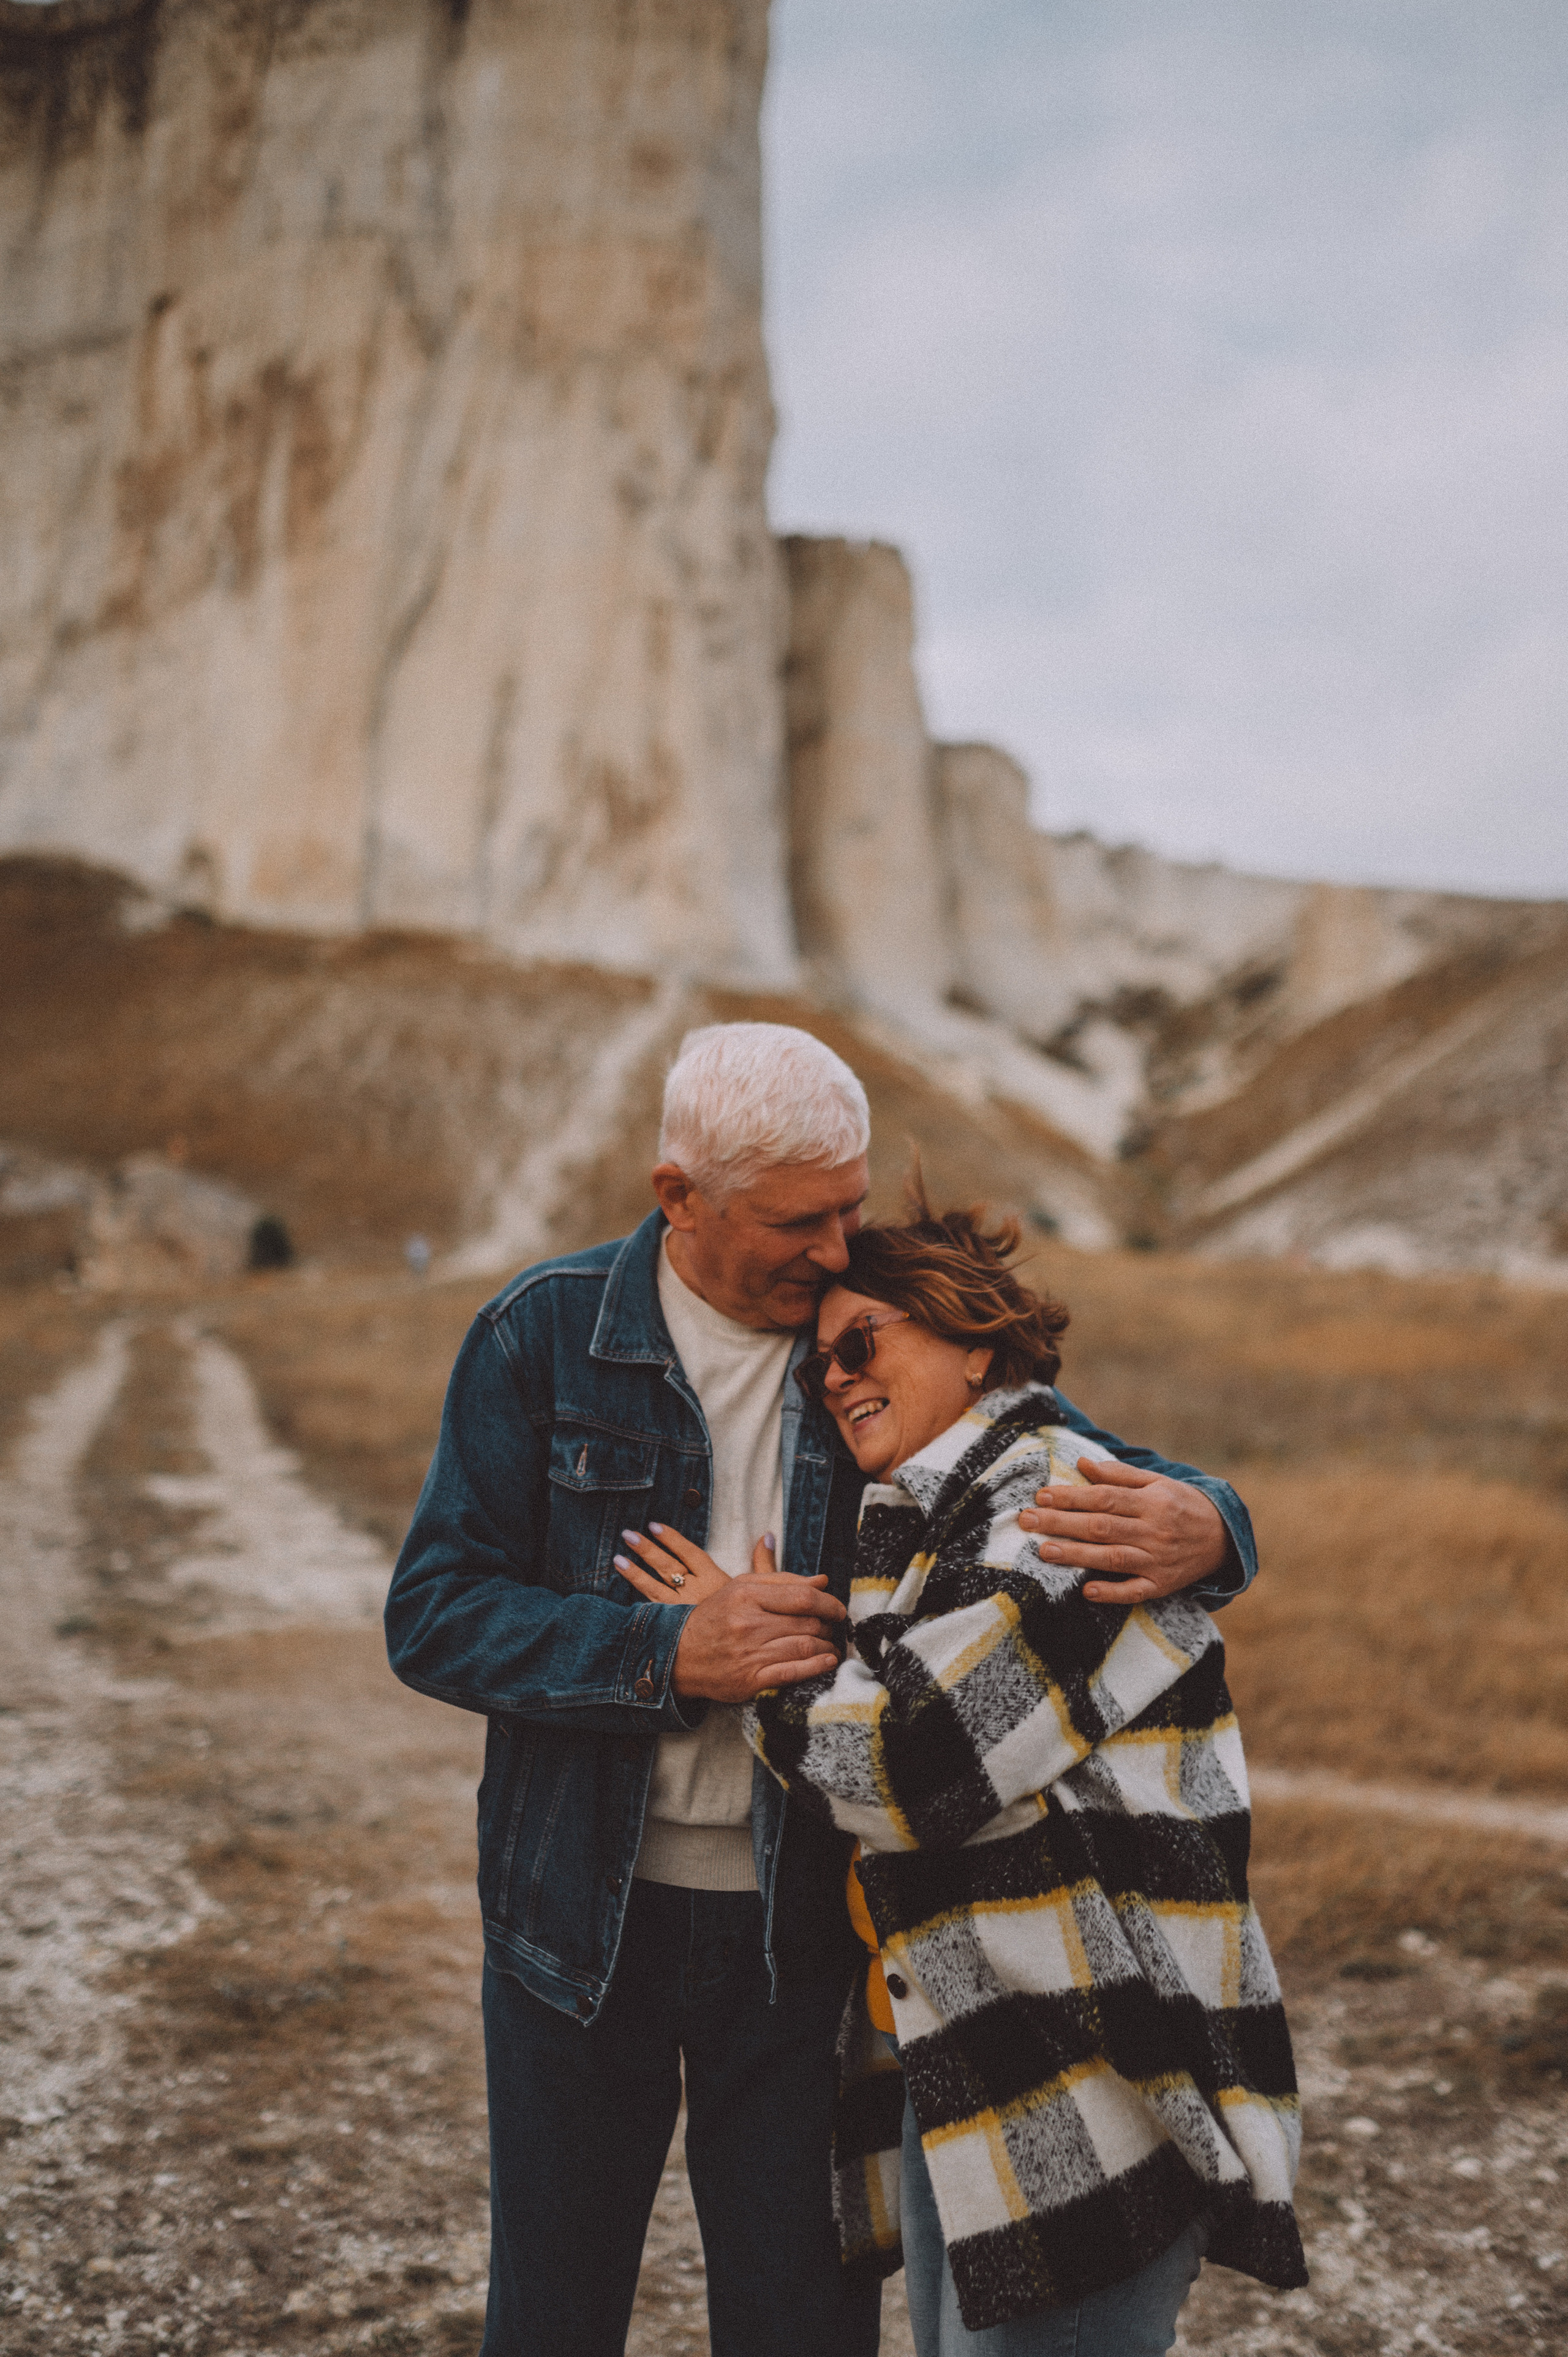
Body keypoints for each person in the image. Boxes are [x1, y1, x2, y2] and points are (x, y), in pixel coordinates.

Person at [385, 1023, 1264, 2357]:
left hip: (812, 1938)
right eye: (800, 1220)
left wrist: (1213, 1524)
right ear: (679, 1195)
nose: (838, 1247)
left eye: (849, 1206)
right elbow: (435, 1613)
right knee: (551, 2318)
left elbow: (1071, 1455)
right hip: (572, 1930)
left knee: (800, 2325)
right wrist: (668, 1655)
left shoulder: (867, 1335)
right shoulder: (540, 1334)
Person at [616, 1192, 1308, 2356]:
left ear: (974, 1341)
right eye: (819, 1369)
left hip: (1104, 2079)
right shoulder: (943, 1512)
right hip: (990, 2056)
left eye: (862, 1342)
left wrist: (748, 1658)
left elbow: (912, 1769)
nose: (836, 1379)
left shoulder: (1055, 1509)